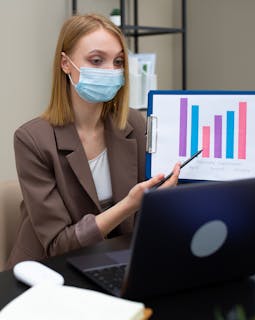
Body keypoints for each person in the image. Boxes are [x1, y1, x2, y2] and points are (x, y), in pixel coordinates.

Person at [6, 13, 180, 269]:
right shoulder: (32, 140)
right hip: (47, 273)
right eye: (96, 60)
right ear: (65, 63)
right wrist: (130, 204)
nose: (111, 71)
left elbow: (144, 218)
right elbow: (57, 244)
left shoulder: (133, 123)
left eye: (118, 61)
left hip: (113, 262)